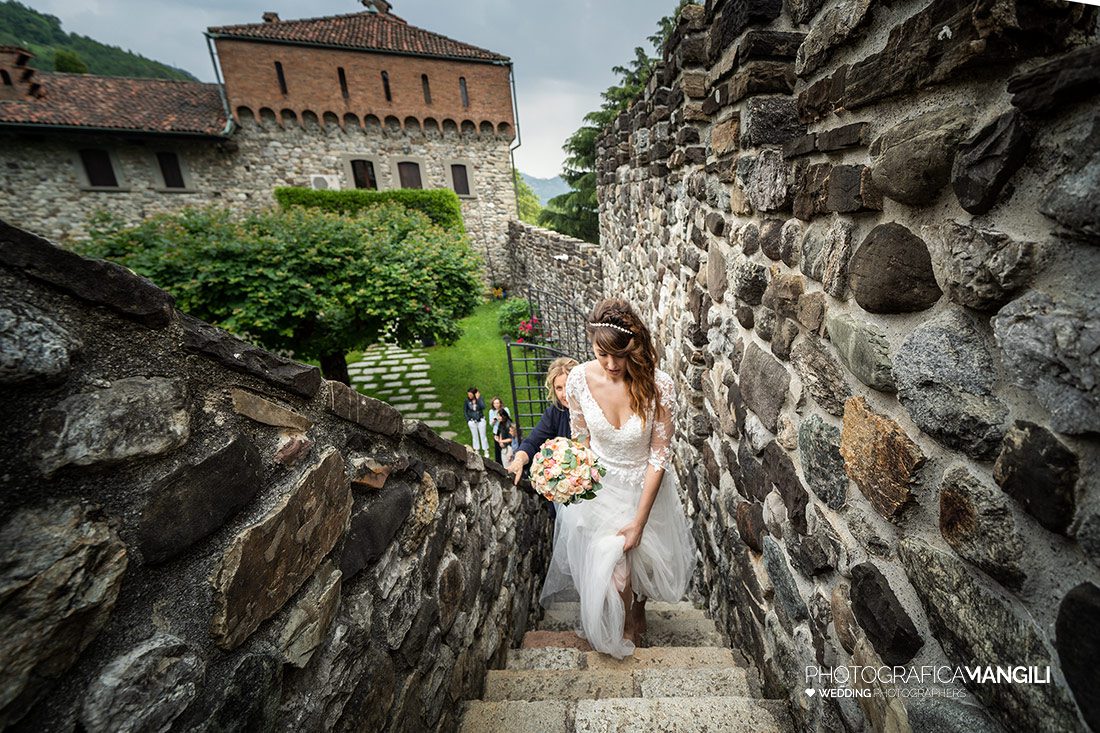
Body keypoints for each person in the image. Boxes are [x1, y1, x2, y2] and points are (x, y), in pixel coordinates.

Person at [540, 298, 695, 659]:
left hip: (644, 488)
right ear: (591, 345)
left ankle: (637, 611)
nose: (610, 365)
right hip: (599, 489)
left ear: (633, 347)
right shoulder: (578, 379)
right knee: (616, 571)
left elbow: (658, 457)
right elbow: (581, 441)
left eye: (619, 355)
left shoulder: (660, 387)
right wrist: (568, 473)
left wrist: (639, 522)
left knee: (638, 564)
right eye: (600, 353)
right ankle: (620, 633)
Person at [506, 357, 578, 485]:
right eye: (559, 388)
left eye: (568, 386)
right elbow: (533, 442)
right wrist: (519, 460)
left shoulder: (594, 409)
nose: (564, 394)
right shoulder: (554, 412)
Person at [464, 387, 488, 458]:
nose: (469, 396)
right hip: (472, 421)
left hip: (480, 420)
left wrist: (478, 398)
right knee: (474, 436)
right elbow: (465, 411)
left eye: (471, 394)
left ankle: (485, 450)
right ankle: (476, 449)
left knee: (483, 435)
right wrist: (468, 420)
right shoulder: (467, 401)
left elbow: (483, 406)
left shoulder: (479, 399)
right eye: (468, 394)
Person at [488, 396, 507, 464]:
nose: (496, 405)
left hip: (504, 430)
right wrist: (495, 420)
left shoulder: (505, 409)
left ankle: (507, 462)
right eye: (494, 403)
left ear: (500, 403)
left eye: (497, 403)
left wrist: (502, 419)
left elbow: (508, 419)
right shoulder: (491, 411)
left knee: (505, 446)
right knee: (497, 448)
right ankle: (499, 463)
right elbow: (491, 424)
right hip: (496, 431)